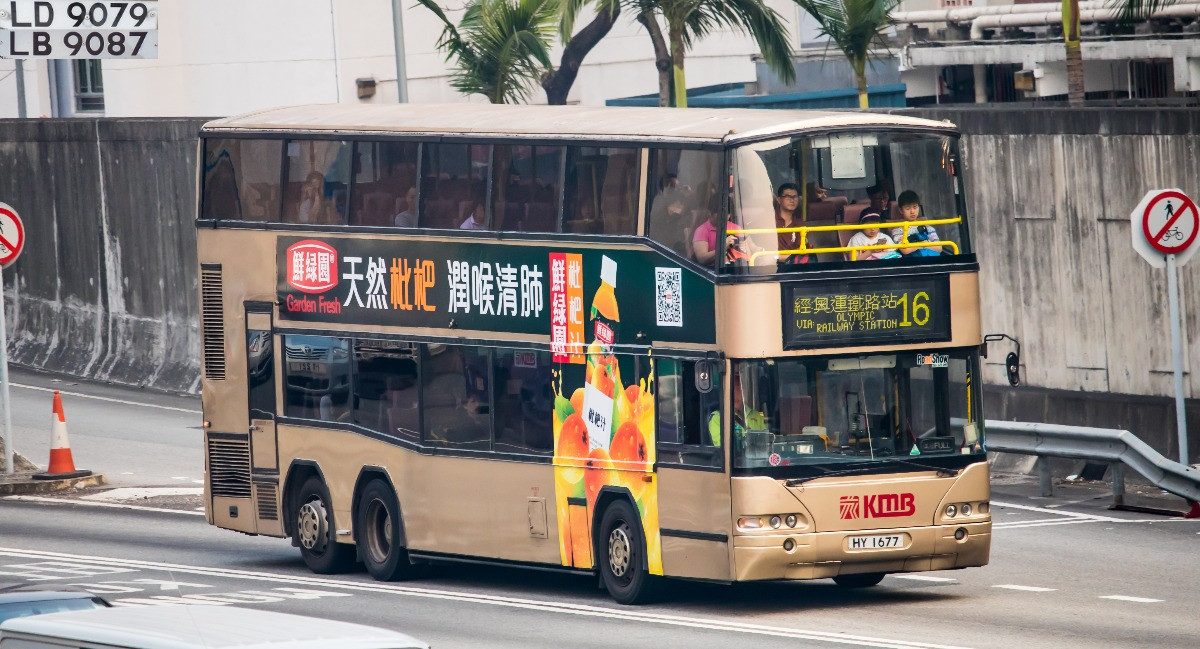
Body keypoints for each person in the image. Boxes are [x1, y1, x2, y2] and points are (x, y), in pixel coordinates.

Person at [890, 190, 944, 257]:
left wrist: (914, 245)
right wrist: (924, 243)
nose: (912, 211)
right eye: (907, 208)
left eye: (915, 207)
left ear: (919, 207)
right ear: (901, 210)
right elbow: (905, 250)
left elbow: (939, 248)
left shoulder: (928, 228)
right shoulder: (897, 231)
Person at [773, 183, 810, 265]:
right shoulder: (769, 219)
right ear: (779, 200)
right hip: (768, 265)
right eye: (787, 196)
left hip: (792, 266)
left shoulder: (800, 224)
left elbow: (800, 252)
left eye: (795, 197)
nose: (792, 200)